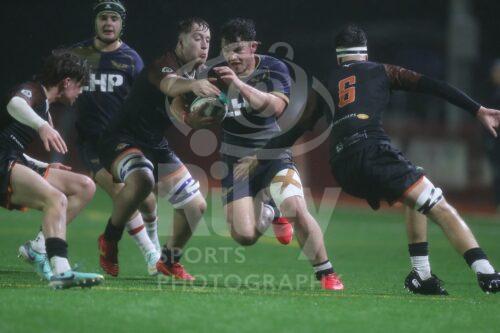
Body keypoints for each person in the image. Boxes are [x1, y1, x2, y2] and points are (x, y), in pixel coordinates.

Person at [252, 24, 500, 294]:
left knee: (414, 184)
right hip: (372, 151)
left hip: (343, 168)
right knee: (438, 205)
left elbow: (296, 131)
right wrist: (477, 110)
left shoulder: (324, 85)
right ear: (365, 54)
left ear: (339, 57)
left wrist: (258, 157)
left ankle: (422, 276)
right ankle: (487, 273)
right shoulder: (382, 70)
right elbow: (435, 87)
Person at [173, 18, 344, 290]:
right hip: (233, 161)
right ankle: (269, 206)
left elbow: (274, 107)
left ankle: (327, 273)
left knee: (296, 209)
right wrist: (192, 116)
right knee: (244, 235)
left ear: (254, 47)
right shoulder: (214, 72)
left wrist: (238, 85)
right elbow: (182, 108)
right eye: (227, 50)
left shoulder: (274, 68)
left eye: (239, 50)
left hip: (271, 153)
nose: (232, 57)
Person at [18, 0, 161, 277]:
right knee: (122, 193)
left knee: (148, 200)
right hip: (93, 143)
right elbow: (47, 85)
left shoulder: (132, 60)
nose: (109, 23)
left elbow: (143, 101)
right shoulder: (77, 54)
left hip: (124, 141)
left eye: (114, 19)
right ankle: (152, 256)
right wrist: (42, 114)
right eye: (104, 18)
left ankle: (37, 244)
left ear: (122, 24)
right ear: (95, 22)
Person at [97, 17, 213, 280]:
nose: (204, 44)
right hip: (122, 138)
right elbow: (169, 85)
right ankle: (109, 239)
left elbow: (177, 107)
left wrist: (194, 119)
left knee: (196, 206)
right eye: (197, 38)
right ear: (180, 42)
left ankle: (169, 261)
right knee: (143, 179)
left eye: (208, 40)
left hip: (153, 143)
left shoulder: (194, 74)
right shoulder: (164, 64)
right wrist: (194, 85)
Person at [2, 51, 103, 289]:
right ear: (66, 82)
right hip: (3, 161)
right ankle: (61, 271)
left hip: (12, 158)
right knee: (56, 199)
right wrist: (43, 126)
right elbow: (14, 104)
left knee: (84, 186)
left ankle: (38, 247)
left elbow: (10, 144)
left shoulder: (45, 105)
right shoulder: (33, 90)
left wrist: (43, 166)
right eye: (79, 86)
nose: (80, 93)